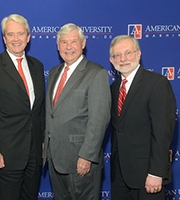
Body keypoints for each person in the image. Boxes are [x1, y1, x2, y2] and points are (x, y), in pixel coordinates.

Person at [0, 14, 45, 200]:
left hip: (34, 154)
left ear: (28, 37)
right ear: (4, 38)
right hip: (6, 154)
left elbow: (39, 110)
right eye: (10, 34)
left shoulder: (37, 66)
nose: (16, 39)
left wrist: (42, 144)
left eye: (20, 33)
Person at [43, 23, 111, 200]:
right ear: (58, 46)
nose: (68, 47)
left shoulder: (96, 73)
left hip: (80, 159)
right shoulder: (54, 73)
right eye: (64, 42)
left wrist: (87, 156)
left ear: (83, 43)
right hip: (55, 158)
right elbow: (52, 113)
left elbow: (99, 119)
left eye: (73, 41)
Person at [109, 35, 176, 200]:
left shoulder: (157, 84)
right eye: (117, 55)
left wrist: (156, 172)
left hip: (148, 177)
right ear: (111, 60)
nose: (123, 59)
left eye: (128, 53)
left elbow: (162, 133)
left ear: (138, 54)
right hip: (120, 176)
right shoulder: (114, 88)